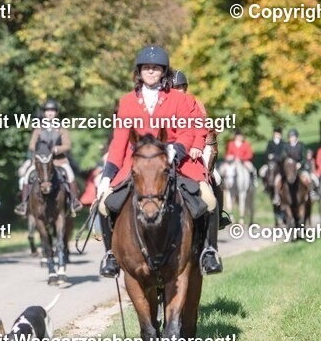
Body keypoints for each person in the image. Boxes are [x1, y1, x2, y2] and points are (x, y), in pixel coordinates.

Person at [95, 45, 220, 277]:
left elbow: (186, 132)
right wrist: (106, 176)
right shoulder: (127, 102)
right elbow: (119, 141)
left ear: (164, 71)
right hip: (140, 164)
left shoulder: (179, 99)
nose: (151, 72)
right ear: (139, 71)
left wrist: (176, 151)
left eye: (156, 68)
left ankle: (208, 251)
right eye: (146, 68)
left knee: (210, 200)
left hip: (177, 161)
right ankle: (111, 255)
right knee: (104, 203)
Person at [173, 68, 227, 265]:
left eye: (180, 87)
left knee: (215, 186)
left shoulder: (195, 103)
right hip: (170, 157)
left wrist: (197, 146)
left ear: (186, 88)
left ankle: (210, 249)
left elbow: (202, 127)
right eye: (173, 87)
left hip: (195, 152)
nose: (177, 90)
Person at [14, 99, 83, 216]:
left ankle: (74, 202)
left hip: (58, 161)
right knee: (26, 177)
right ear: (44, 113)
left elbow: (67, 145)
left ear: (56, 113)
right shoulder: (38, 129)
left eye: (52, 110)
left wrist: (57, 149)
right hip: (41, 162)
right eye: (47, 110)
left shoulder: (62, 128)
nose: (50, 113)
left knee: (70, 175)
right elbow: (31, 145)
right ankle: (24, 204)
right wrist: (39, 150)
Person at [276, 128, 315, 200]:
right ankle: (277, 196)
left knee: (308, 178)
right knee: (277, 179)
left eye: (293, 137)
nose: (291, 138)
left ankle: (311, 193)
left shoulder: (301, 145)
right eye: (290, 137)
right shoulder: (286, 146)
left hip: (299, 168)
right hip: (288, 169)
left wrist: (300, 164)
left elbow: (304, 158)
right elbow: (283, 157)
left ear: (296, 137)